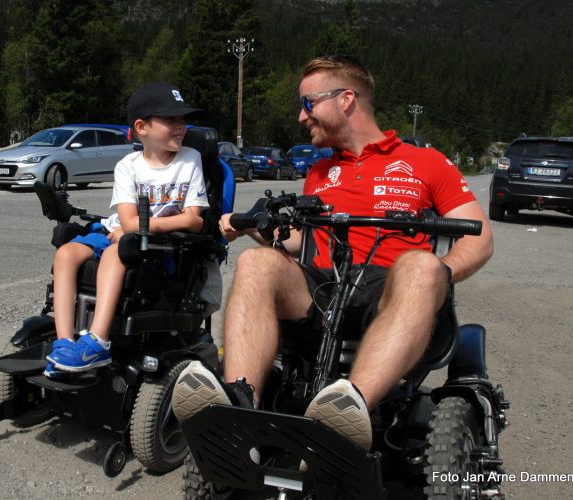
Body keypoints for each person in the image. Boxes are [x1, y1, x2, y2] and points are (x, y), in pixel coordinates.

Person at [171, 55, 493, 451]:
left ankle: (347, 413)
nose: (302, 117)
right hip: (324, 290)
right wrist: (255, 228)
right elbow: (301, 242)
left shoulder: (425, 162)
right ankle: (240, 407)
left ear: (346, 100)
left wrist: (434, 276)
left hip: (390, 289)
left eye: (308, 103)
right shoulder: (319, 173)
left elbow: (479, 238)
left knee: (421, 266)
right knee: (257, 262)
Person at [45, 83, 208, 378]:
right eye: (171, 120)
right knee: (66, 254)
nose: (180, 127)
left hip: (154, 243)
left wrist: (137, 229)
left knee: (116, 253)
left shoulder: (190, 159)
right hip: (116, 229)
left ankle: (97, 340)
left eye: (182, 120)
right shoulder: (127, 166)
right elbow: (126, 221)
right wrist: (132, 228)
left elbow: (195, 220)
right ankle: (65, 343)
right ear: (141, 127)